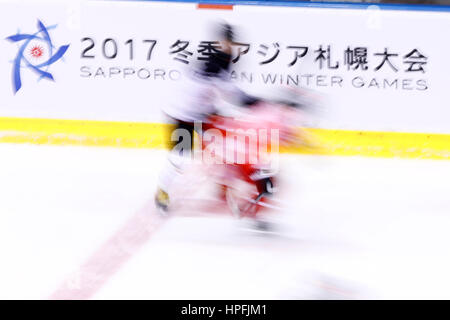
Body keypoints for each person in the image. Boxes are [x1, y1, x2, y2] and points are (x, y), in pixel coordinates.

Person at [155, 22, 259, 213]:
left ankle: (223, 188)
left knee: (226, 151)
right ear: (219, 42)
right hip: (182, 115)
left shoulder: (223, 58)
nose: (228, 45)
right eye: (225, 41)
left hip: (204, 113)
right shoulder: (213, 63)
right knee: (180, 158)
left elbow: (225, 90)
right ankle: (162, 191)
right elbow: (233, 94)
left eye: (231, 42)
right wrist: (257, 102)